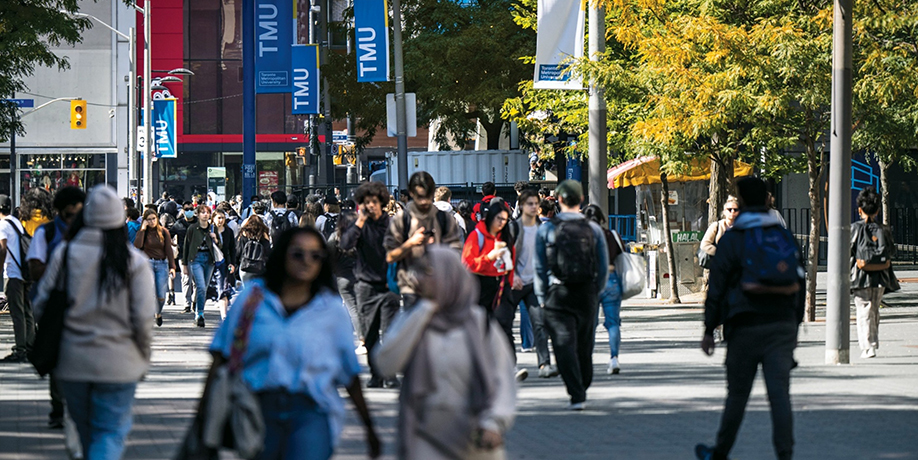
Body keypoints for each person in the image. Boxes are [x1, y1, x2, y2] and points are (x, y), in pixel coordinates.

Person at [207, 227, 381, 459]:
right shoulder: (252, 299)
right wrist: (204, 420)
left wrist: (369, 427)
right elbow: (220, 357)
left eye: (315, 255)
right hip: (256, 410)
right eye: (297, 254)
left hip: (311, 413)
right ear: (282, 255)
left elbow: (349, 373)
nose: (306, 261)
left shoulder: (330, 311)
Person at [33, 185, 156, 459]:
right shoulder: (134, 262)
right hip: (120, 362)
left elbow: (41, 304)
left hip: (72, 361)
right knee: (109, 432)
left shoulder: (65, 253)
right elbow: (144, 317)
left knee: (85, 431)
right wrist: (143, 354)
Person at [696, 176, 804, 460]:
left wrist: (709, 329)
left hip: (744, 325)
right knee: (779, 394)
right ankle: (785, 453)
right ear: (767, 200)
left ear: (741, 201)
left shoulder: (734, 238)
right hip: (781, 325)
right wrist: (795, 325)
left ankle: (720, 452)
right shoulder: (783, 235)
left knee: (737, 395)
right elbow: (800, 283)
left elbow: (717, 287)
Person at [374, 247, 516, 460]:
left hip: (474, 438)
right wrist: (423, 312)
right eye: (418, 271)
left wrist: (494, 422)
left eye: (428, 272)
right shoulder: (413, 320)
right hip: (425, 437)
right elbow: (385, 365)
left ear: (450, 275)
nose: (419, 279)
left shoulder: (479, 324)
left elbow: (503, 379)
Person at [534, 180, 608, 410]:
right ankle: (582, 386)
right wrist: (597, 291)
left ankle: (576, 393)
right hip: (587, 293)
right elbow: (603, 265)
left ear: (560, 200)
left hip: (558, 293)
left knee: (563, 344)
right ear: (582, 200)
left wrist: (542, 296)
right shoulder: (594, 229)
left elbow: (539, 266)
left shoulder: (546, 228)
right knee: (584, 346)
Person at [25, 186, 86, 430]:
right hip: (53, 303)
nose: (74, 220)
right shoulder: (46, 232)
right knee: (58, 356)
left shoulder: (89, 231)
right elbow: (35, 269)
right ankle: (58, 407)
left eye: (78, 215)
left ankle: (77, 403)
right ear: (59, 212)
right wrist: (62, 260)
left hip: (84, 303)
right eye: (70, 215)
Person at [340, 182, 401, 389]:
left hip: (388, 285)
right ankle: (376, 374)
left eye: (374, 202)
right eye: (366, 203)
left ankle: (390, 374)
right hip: (365, 285)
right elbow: (345, 244)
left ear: (382, 202)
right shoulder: (359, 225)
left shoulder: (391, 224)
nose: (371, 206)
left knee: (390, 333)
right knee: (370, 334)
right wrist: (359, 222)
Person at [461, 197, 528, 381]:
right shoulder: (477, 235)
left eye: (505, 220)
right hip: (481, 286)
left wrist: (512, 279)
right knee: (480, 328)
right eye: (499, 218)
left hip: (502, 285)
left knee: (504, 326)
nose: (501, 223)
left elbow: (511, 261)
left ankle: (510, 366)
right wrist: (489, 257)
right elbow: (468, 263)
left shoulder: (505, 236)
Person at [385, 171, 463, 308]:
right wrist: (411, 243)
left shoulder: (445, 219)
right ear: (412, 194)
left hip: (439, 286)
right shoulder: (402, 219)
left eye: (427, 196)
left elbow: (456, 254)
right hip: (411, 287)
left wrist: (439, 250)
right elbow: (390, 256)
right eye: (419, 196)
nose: (423, 201)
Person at [510, 189, 557, 378]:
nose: (533, 207)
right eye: (529, 203)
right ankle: (511, 365)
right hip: (514, 282)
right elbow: (505, 253)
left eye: (535, 203)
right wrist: (511, 275)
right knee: (504, 324)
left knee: (539, 323)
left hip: (535, 284)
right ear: (521, 206)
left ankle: (544, 364)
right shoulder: (513, 228)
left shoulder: (543, 228)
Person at [850, 187, 899, 359]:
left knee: (864, 309)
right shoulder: (883, 229)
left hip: (860, 277)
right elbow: (891, 251)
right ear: (878, 210)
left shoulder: (854, 228)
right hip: (880, 276)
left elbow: (847, 252)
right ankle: (872, 343)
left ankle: (868, 346)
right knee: (874, 310)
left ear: (860, 210)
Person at [583, 204, 625, 375]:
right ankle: (614, 358)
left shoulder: (583, 237)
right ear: (601, 218)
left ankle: (587, 360)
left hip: (590, 282)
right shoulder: (611, 235)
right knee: (613, 323)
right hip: (611, 280)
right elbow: (623, 254)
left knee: (589, 324)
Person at [0, 195, 34, 363]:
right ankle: (30, 345)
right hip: (25, 272)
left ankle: (20, 349)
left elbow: (2, 249)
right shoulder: (16, 222)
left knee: (17, 312)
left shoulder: (2, 225)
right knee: (27, 310)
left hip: (13, 273)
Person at [134, 209, 177, 327]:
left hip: (161, 264)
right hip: (147, 263)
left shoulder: (163, 232)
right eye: (149, 219)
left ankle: (158, 313)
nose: (152, 221)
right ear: (145, 221)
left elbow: (168, 249)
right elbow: (137, 245)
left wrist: (172, 267)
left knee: (161, 295)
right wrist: (142, 229)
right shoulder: (143, 231)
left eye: (154, 219)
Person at [328, 209, 362, 352]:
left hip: (342, 277)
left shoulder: (335, 237)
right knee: (361, 308)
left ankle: (362, 338)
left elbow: (328, 258)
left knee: (352, 308)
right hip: (360, 276)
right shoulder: (361, 237)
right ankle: (366, 337)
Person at [182, 205, 217, 327]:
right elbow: (186, 246)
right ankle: (200, 314)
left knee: (204, 287)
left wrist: (215, 239)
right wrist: (185, 264)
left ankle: (198, 308)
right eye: (202, 212)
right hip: (196, 259)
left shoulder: (213, 228)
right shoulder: (192, 228)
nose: (205, 214)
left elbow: (220, 247)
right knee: (201, 286)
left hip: (209, 259)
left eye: (207, 212)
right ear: (197, 214)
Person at [210, 209, 237, 321]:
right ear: (213, 218)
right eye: (218, 218)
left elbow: (232, 249)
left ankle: (224, 315)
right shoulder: (208, 230)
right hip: (209, 262)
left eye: (223, 218)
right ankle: (199, 311)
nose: (221, 220)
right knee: (203, 288)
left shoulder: (228, 231)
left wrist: (232, 263)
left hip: (223, 263)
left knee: (224, 289)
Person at [171, 202, 197, 313]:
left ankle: (195, 302)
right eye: (186, 209)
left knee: (198, 281)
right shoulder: (178, 224)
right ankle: (187, 304)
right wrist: (173, 245)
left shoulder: (198, 222)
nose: (189, 211)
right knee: (186, 279)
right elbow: (169, 234)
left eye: (191, 209)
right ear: (183, 210)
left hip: (198, 254)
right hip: (183, 255)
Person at [236, 214, 272, 287]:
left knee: (246, 291)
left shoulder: (244, 233)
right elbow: (268, 251)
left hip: (245, 266)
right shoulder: (263, 235)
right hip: (259, 267)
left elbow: (238, 251)